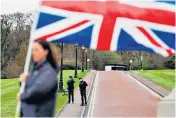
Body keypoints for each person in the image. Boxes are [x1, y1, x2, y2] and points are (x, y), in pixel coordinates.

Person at [17, 41, 59, 117]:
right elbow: (28, 86)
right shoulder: (35, 69)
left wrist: (22, 96)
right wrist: (22, 82)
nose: (33, 53)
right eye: (33, 50)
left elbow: (38, 91)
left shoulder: (49, 72)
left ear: (46, 51)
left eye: (36, 50)